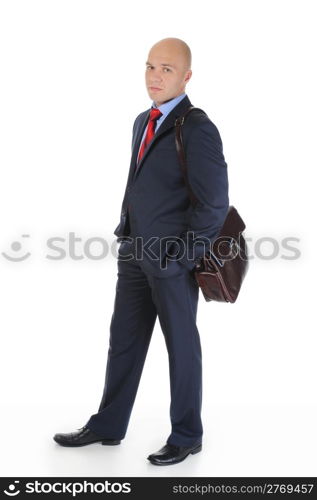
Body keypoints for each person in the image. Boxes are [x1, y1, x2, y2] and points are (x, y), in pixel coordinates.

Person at [53, 37, 229, 466]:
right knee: (124, 342)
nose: (155, 75)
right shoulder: (141, 120)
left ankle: (187, 435)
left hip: (172, 260)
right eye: (150, 66)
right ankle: (109, 426)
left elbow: (214, 205)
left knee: (181, 347)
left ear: (187, 76)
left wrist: (182, 259)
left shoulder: (198, 127)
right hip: (134, 252)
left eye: (167, 69)